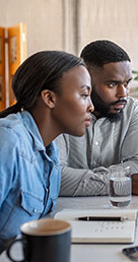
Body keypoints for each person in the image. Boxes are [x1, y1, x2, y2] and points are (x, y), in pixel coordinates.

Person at [0, 51, 93, 253]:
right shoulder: (8, 140)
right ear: (49, 98)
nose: (91, 106)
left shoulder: (50, 153)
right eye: (84, 95)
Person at [56, 40, 138, 197]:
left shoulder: (131, 109)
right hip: (64, 213)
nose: (123, 94)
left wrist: (82, 180)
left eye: (127, 83)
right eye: (112, 84)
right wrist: (124, 182)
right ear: (86, 80)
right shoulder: (62, 109)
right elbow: (57, 179)